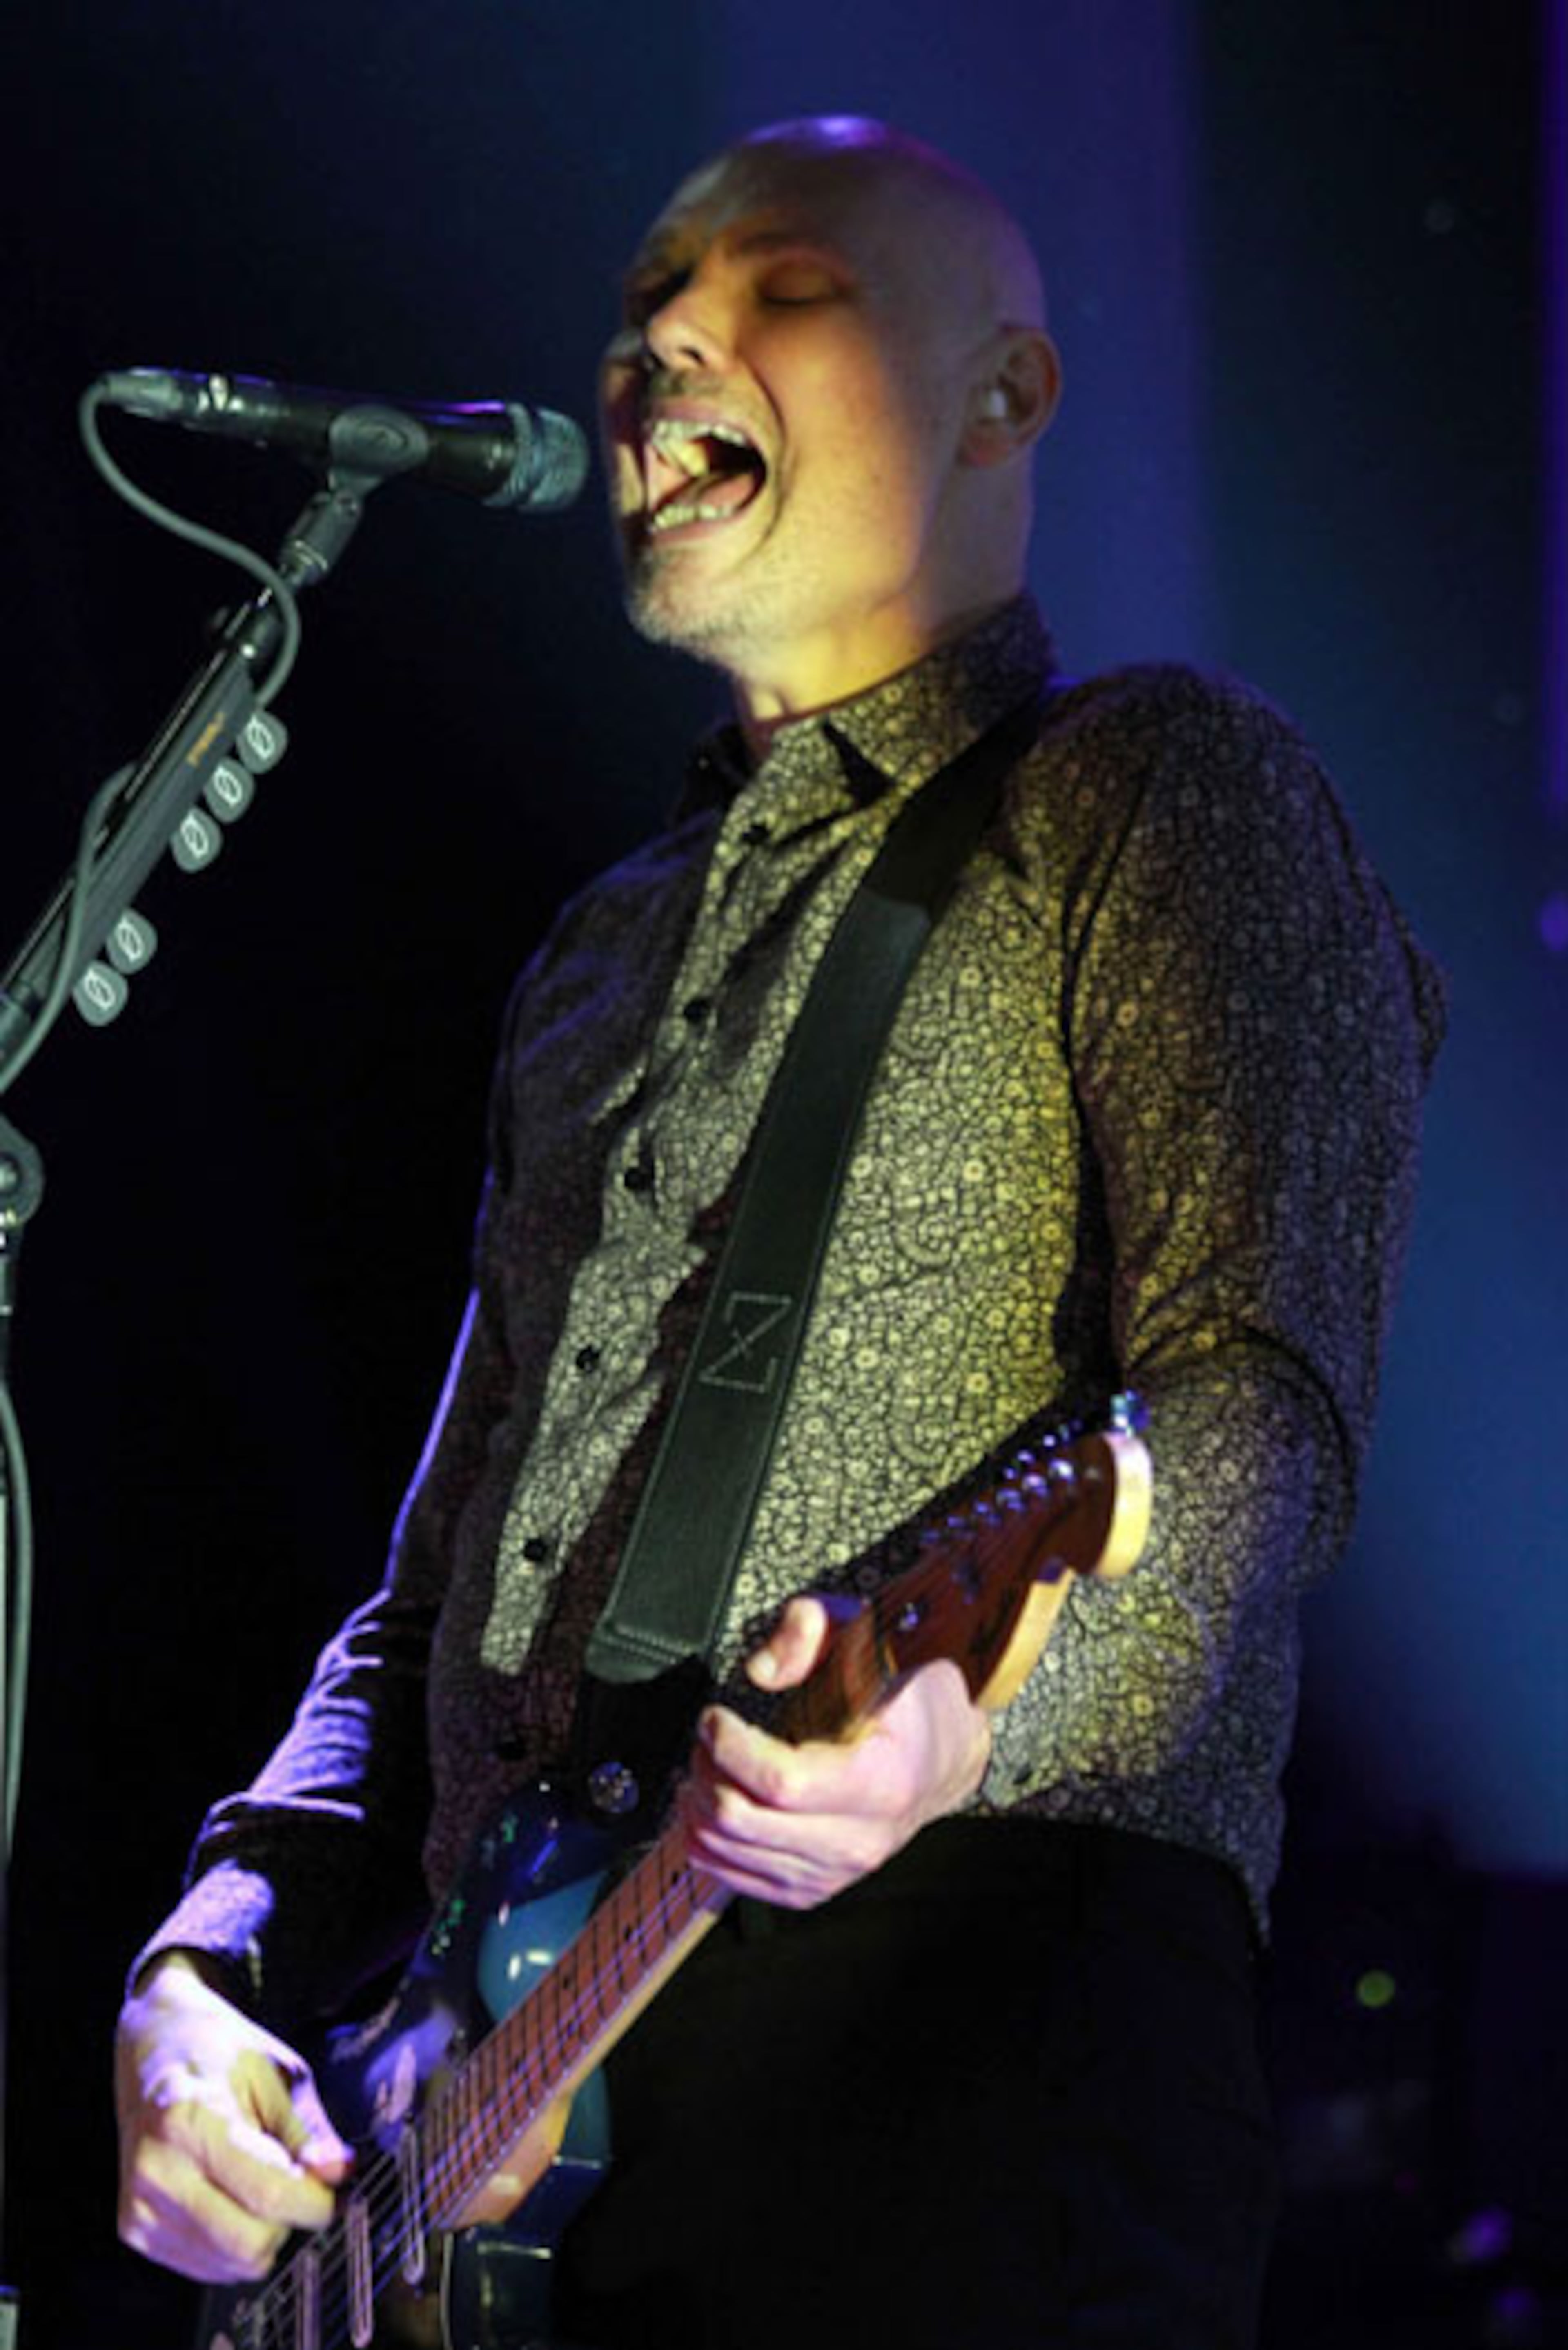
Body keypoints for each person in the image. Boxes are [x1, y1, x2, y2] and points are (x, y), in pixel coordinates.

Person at [114, 116, 1444, 2348]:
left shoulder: (1156, 788)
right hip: (504, 2137)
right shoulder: (597, 953)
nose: (658, 337)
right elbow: (432, 1591)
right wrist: (208, 1955)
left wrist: (989, 1722)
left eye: (781, 282)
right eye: (645, 290)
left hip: (970, 2074)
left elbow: (1264, 1412)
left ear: (1002, 397)